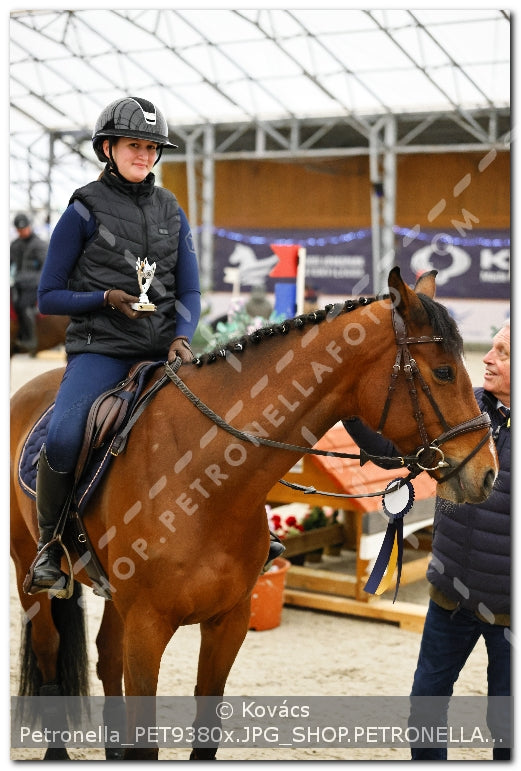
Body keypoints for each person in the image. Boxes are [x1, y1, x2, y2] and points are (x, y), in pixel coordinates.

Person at [25, 96, 202, 595]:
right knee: (62, 436)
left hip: (163, 349)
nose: (143, 155)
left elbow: (189, 289)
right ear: (108, 148)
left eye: (151, 148)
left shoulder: (171, 208)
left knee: (224, 414)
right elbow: (48, 297)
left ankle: (248, 530)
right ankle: (49, 545)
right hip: (100, 349)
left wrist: (182, 337)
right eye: (133, 146)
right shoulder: (83, 207)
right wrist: (105, 298)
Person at [344, 321, 510, 760]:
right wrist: (347, 411)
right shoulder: (464, 410)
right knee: (426, 706)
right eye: (491, 348)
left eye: (504, 353)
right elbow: (391, 451)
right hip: (450, 593)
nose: (488, 360)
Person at [10, 212, 48, 349]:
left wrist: (37, 281)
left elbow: (46, 267)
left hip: (34, 285)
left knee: (23, 305)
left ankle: (30, 339)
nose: (22, 232)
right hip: (18, 284)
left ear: (29, 226)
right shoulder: (14, 245)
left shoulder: (40, 245)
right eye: (19, 230)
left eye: (24, 228)